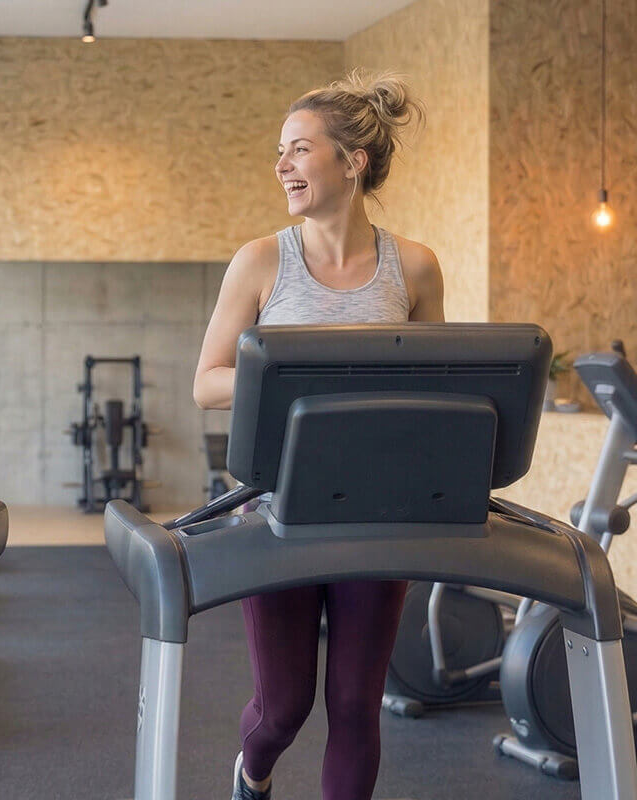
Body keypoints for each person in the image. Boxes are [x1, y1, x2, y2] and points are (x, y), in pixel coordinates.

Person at [192, 71, 444, 800]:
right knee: (284, 707)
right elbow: (207, 381)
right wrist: (302, 379)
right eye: (281, 151)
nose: (282, 166)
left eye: (299, 150)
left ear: (353, 161)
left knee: (357, 708)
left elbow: (433, 391)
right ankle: (252, 772)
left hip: (377, 511)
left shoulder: (416, 267)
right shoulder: (262, 261)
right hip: (277, 509)